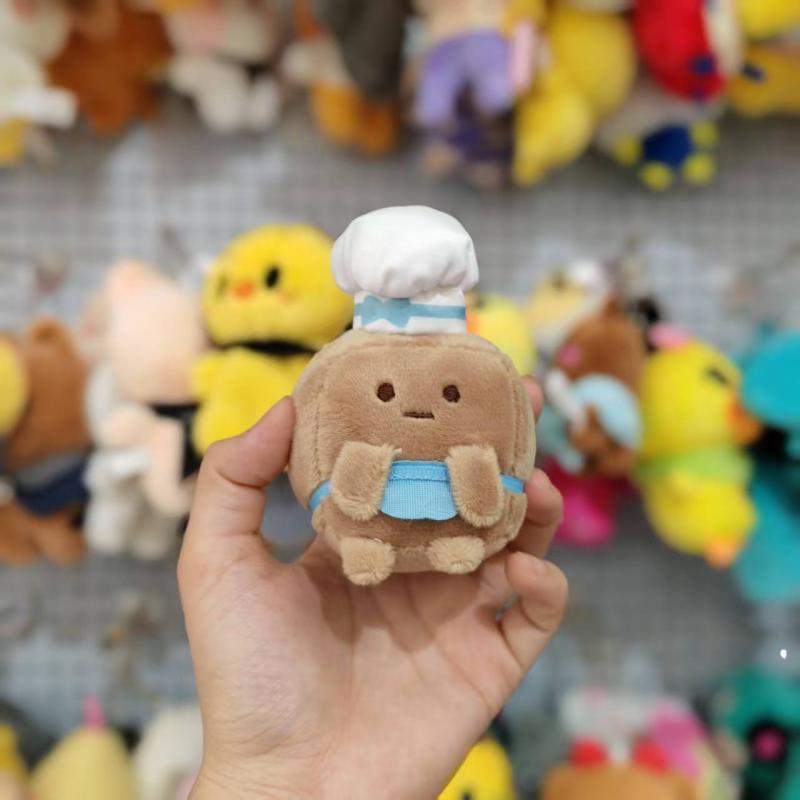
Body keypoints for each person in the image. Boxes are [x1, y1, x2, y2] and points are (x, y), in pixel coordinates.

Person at [178, 379, 567, 799]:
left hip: (455, 530)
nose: (418, 407)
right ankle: (373, 549)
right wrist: (273, 776)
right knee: (369, 546)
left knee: (467, 543)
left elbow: (486, 498)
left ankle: (447, 546)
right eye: (384, 393)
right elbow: (349, 493)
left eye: (452, 394)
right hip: (367, 534)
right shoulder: (360, 450)